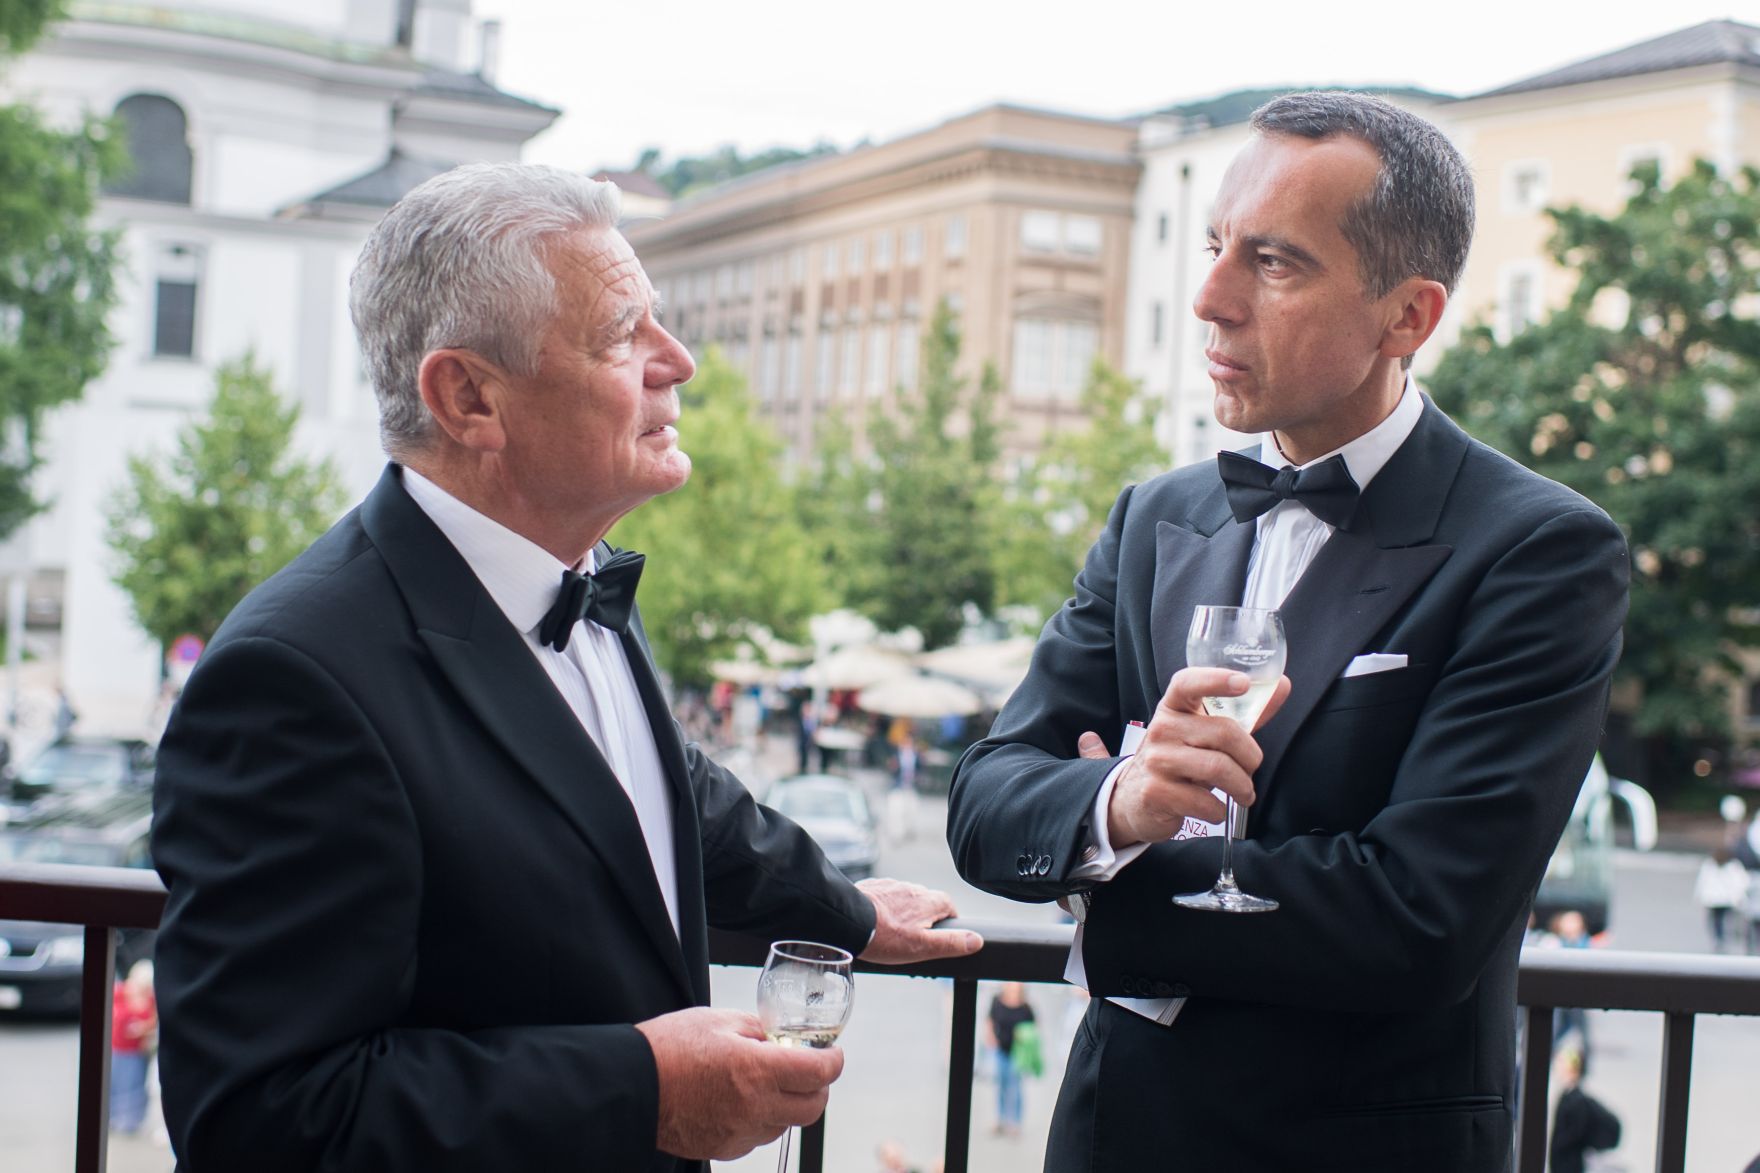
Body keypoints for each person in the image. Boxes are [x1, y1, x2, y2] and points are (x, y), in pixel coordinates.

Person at [151, 162, 983, 1173]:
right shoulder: (291, 681)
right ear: (467, 396)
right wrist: (643, 1092)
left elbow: (662, 790)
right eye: (621, 335)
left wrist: (846, 912)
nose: (676, 361)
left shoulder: (568, 569)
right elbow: (265, 1122)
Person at [946, 91, 1628, 1172]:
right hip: (1110, 1135)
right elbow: (985, 801)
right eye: (1216, 244)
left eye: (1272, 263)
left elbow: (1415, 920)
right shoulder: (1151, 517)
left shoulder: (1537, 549)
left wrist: (1106, 890)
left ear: (1406, 316)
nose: (1209, 298)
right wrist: (1116, 805)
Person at [1548, 1046, 1622, 1173]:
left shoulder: (1575, 1100)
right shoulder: (1568, 1096)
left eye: (1561, 1062)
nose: (1557, 1066)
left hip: (1567, 1165)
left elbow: (1572, 1134)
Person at [983, 981, 1038, 1138]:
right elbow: (990, 1020)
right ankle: (1000, 1119)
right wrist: (990, 1037)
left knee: (1015, 1088)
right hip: (1001, 1050)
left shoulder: (1026, 1007)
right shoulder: (997, 1001)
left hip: (1017, 1053)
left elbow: (1033, 1028)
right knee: (1001, 1085)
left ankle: (1015, 1122)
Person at [110, 959, 158, 1135]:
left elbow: (155, 1020)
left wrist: (144, 1028)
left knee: (135, 1087)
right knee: (115, 1085)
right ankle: (113, 1118)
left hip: (137, 1051)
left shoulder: (152, 998)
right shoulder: (119, 992)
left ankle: (130, 1120)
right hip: (118, 1049)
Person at [1694, 843, 1750, 951]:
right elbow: (1741, 882)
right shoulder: (1733, 866)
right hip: (1726, 899)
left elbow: (1702, 882)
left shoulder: (1709, 865)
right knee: (1725, 919)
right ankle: (1723, 937)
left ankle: (1719, 937)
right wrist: (1740, 898)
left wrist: (1698, 897)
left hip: (1713, 899)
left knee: (1716, 920)